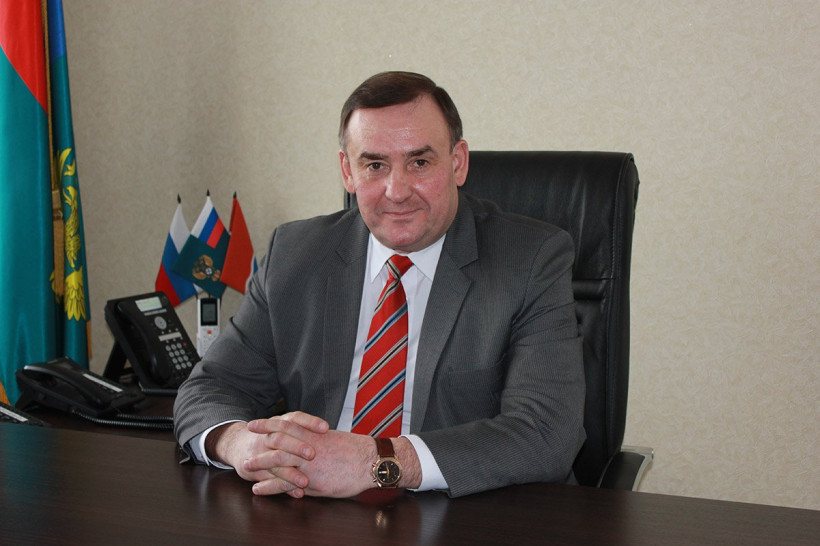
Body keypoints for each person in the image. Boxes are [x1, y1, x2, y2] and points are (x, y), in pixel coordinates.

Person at [173, 71, 585, 499]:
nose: (397, 191)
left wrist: (379, 462)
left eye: (419, 162)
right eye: (374, 165)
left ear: (458, 162)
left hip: (464, 514)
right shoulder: (295, 255)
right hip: (310, 506)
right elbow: (208, 389)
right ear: (347, 172)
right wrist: (242, 445)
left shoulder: (530, 260)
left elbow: (547, 432)